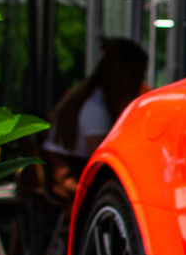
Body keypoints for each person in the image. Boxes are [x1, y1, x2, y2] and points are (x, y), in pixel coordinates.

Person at [35, 38, 148, 205]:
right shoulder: (96, 109)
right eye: (139, 75)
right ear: (126, 76)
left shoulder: (83, 96)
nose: (141, 83)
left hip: (62, 177)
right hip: (72, 184)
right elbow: (101, 166)